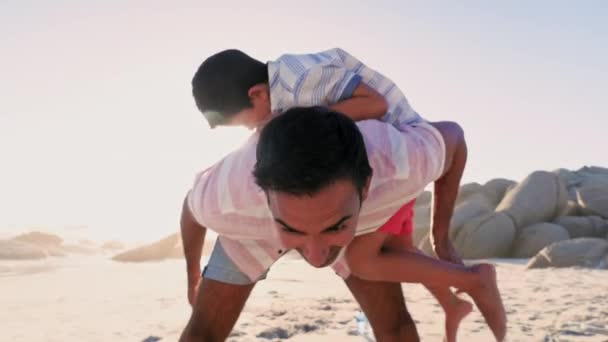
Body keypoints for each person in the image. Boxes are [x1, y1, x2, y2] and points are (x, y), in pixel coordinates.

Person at [189, 48, 480, 341]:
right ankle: (453, 303)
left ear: (258, 94)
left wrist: (440, 236)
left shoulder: (301, 78)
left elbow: (375, 103)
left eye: (246, 122)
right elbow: (193, 208)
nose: (252, 129)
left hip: (391, 155)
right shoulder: (277, 111)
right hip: (340, 180)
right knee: (394, 259)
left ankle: (463, 290)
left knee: (378, 271)